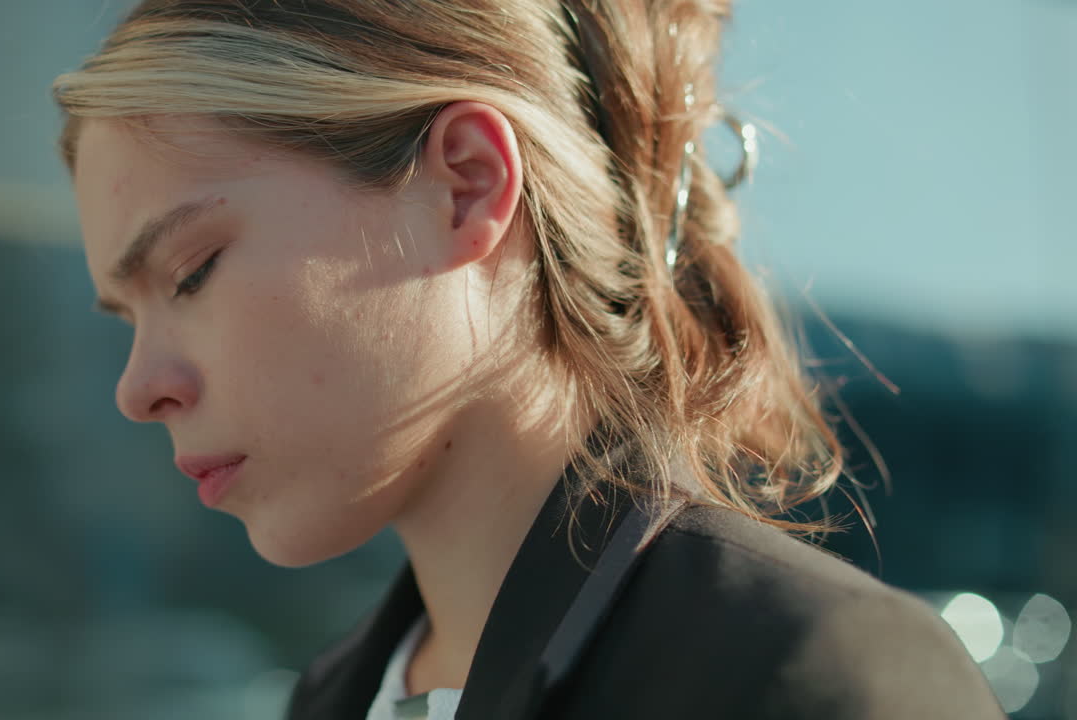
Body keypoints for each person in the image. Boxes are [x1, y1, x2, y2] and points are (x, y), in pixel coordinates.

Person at [51, 1, 1006, 717]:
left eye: (191, 272)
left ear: (466, 187)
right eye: (124, 317)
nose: (137, 389)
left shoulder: (812, 673)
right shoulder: (332, 698)